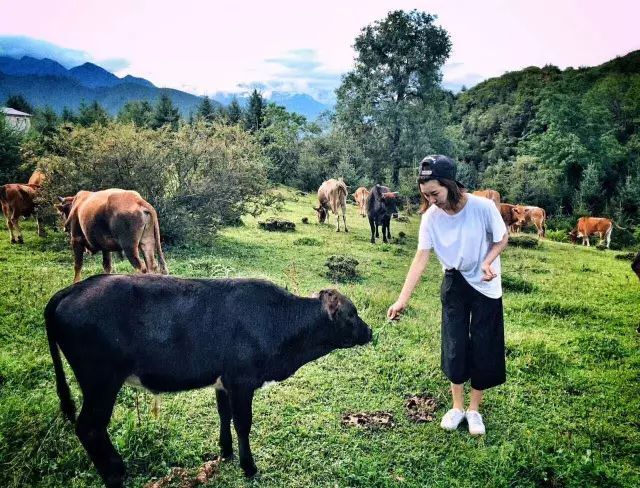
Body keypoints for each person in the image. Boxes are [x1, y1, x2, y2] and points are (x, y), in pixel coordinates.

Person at [387, 155, 508, 436]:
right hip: (454, 281)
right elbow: (420, 258)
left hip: (484, 283)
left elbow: (502, 238)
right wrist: (402, 300)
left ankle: (474, 410)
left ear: (450, 185)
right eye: (425, 195)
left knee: (483, 344)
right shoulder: (430, 218)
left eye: (435, 193)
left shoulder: (482, 207)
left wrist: (488, 261)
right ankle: (456, 407)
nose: (431, 200)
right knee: (454, 344)